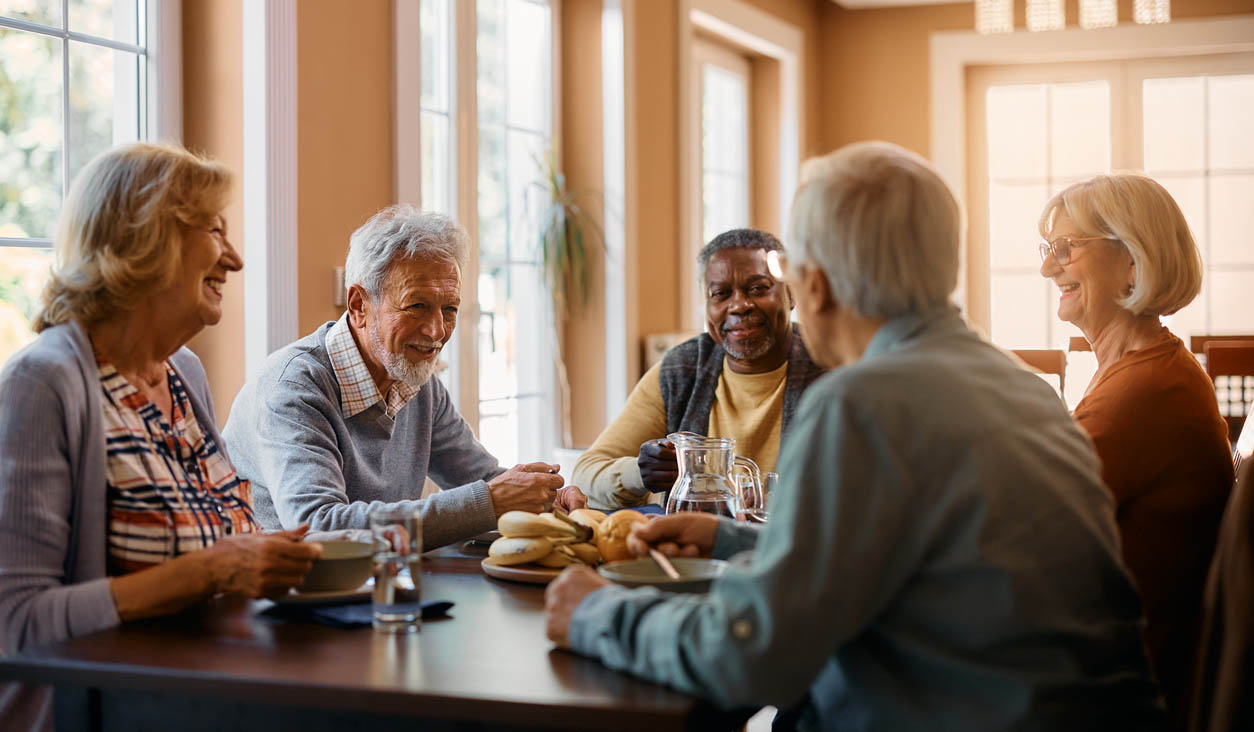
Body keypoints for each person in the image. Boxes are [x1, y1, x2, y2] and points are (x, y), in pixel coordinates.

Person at [544, 142, 1165, 730]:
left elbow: (757, 655)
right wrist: (730, 539)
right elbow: (920, 564)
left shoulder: (861, 406)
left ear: (812, 286)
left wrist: (597, 612)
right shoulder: (1025, 388)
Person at [0, 142, 323, 731]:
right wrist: (211, 572)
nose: (235, 259)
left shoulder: (185, 374)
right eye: (216, 231)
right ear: (146, 240)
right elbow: (16, 624)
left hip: (207, 695)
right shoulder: (42, 384)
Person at [223, 205, 584, 547]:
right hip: (276, 602)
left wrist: (545, 496)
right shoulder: (293, 389)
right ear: (359, 305)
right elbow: (320, 526)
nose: (437, 331)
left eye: (450, 309)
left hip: (376, 588)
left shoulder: (415, 380)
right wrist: (490, 500)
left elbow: (482, 480)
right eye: (417, 306)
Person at [1037, 173, 1233, 719]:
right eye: (1049, 250)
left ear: (1132, 261)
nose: (1049, 267)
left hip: (1117, 698)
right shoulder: (1142, 370)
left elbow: (1023, 536)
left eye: (1066, 249)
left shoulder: (1142, 392)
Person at [572, 229, 825, 510]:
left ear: (790, 294)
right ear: (707, 307)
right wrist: (640, 474)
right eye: (721, 294)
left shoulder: (830, 365)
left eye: (758, 288)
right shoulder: (682, 370)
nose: (739, 305)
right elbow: (585, 476)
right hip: (693, 549)